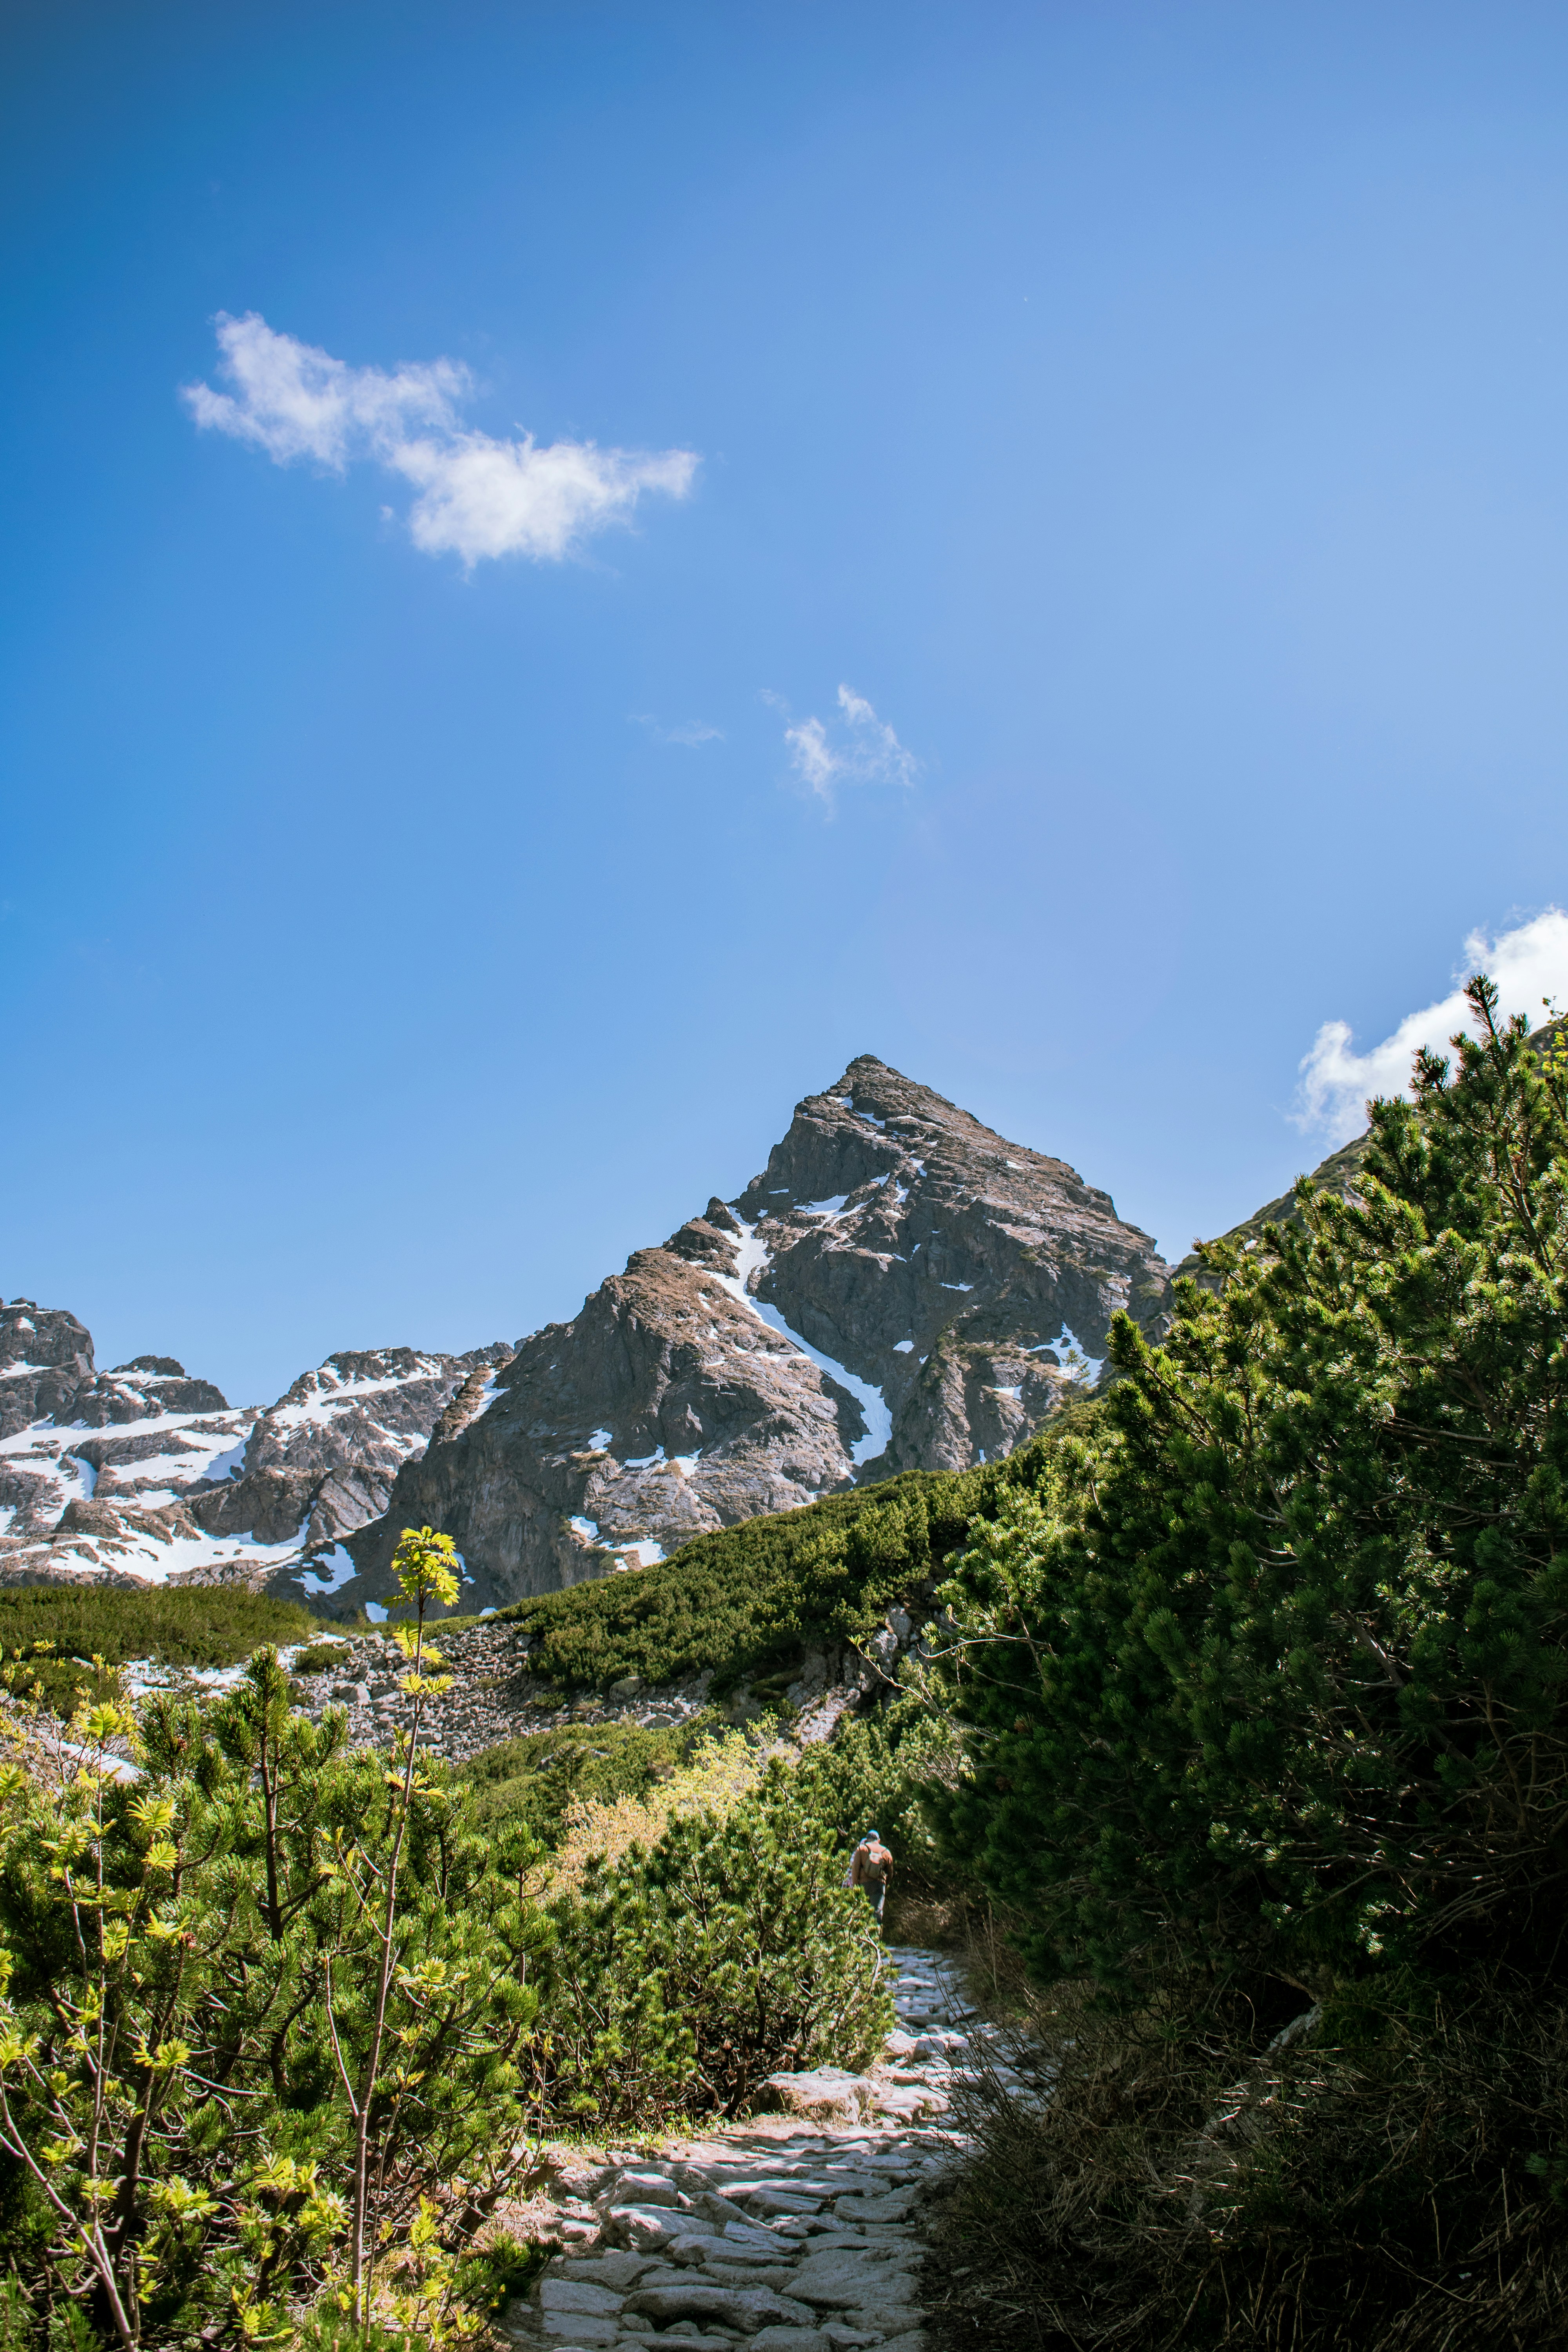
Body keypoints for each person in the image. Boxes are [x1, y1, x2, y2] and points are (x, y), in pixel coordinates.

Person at [850, 1827, 893, 1927]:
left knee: (862, 1914)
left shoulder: (862, 1849)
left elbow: (855, 1870)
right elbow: (890, 1874)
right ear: (879, 1840)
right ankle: (875, 1938)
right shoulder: (886, 1852)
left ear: (867, 1840)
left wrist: (857, 1887)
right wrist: (885, 1885)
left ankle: (862, 1939)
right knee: (877, 1913)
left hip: (863, 1885)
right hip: (879, 1885)